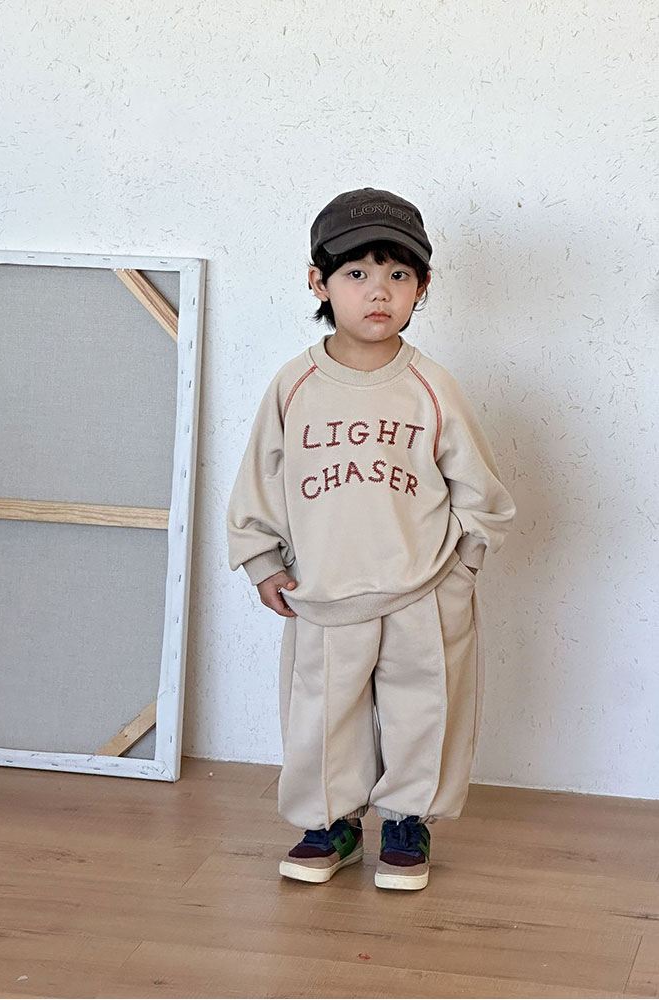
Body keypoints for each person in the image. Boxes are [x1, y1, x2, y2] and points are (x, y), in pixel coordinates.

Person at [227, 187, 516, 890]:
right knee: (324, 715)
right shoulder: (294, 385)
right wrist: (262, 560)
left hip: (423, 589)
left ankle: (409, 821)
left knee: (424, 709)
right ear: (318, 282)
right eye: (356, 273)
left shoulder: (431, 386)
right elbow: (260, 479)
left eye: (397, 274)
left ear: (422, 286)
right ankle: (331, 823)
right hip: (325, 589)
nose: (378, 291)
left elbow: (480, 492)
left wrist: (462, 568)